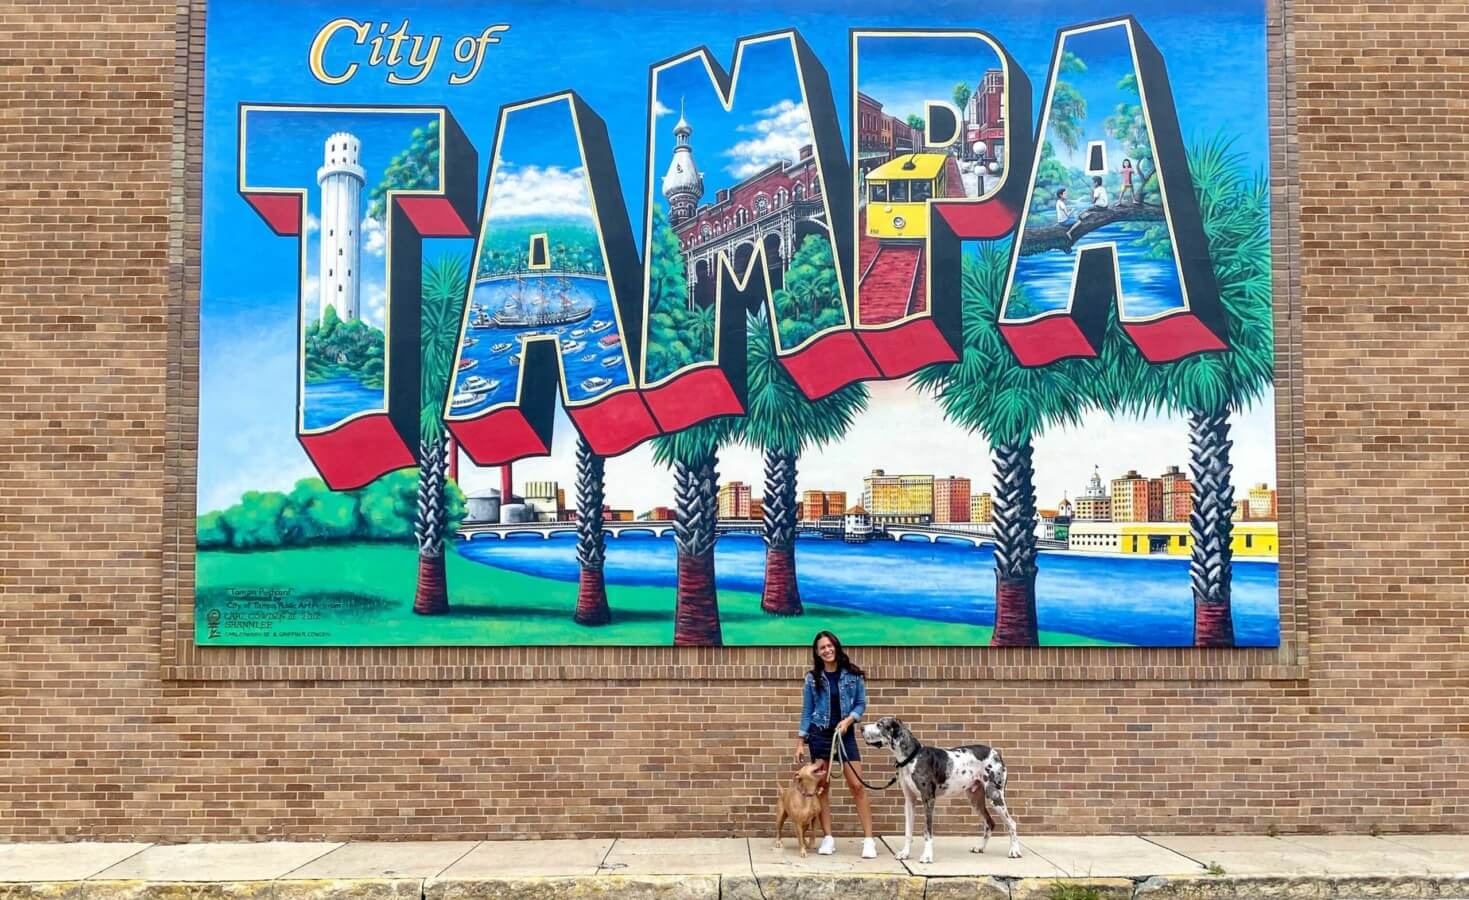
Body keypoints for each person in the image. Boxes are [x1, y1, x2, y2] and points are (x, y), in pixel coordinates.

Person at [795, 630, 876, 858]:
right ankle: (828, 838)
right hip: (819, 736)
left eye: (830, 646)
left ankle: (869, 840)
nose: (827, 650)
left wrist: (849, 720)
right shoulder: (812, 679)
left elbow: (860, 704)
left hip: (844, 735)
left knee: (857, 785)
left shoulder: (852, 675)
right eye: (822, 648)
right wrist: (800, 741)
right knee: (823, 789)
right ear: (817, 653)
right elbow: (807, 710)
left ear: (836, 647)